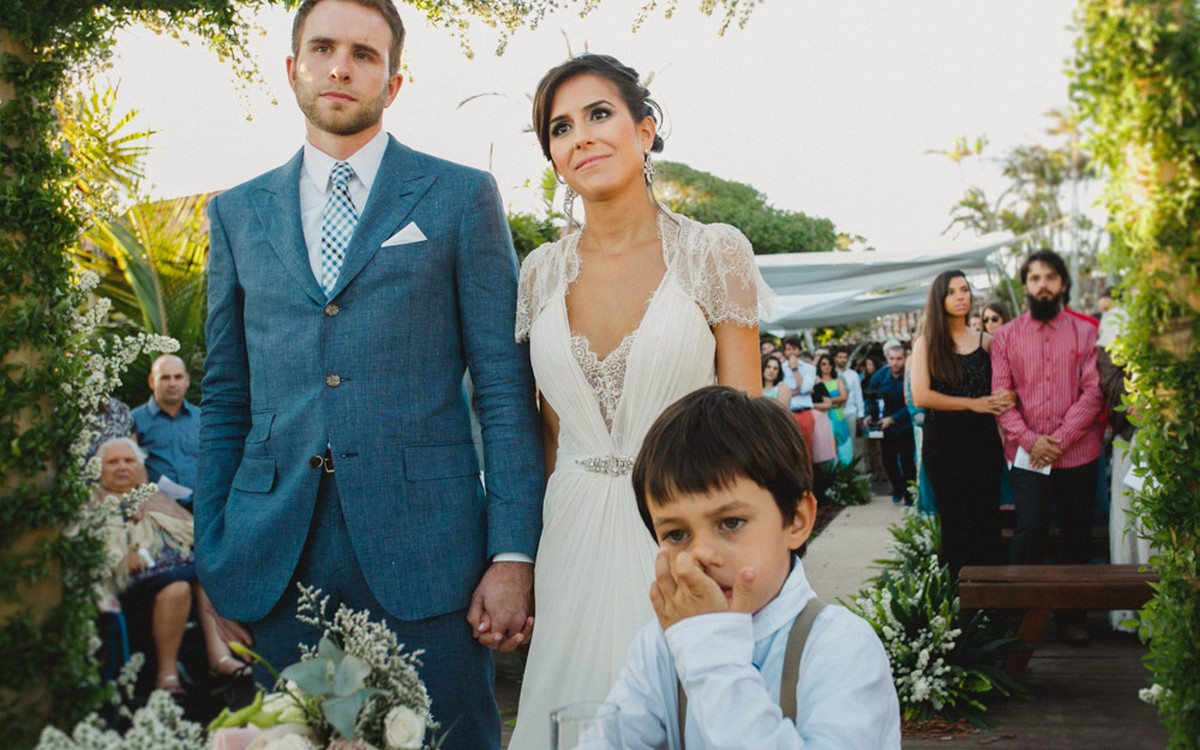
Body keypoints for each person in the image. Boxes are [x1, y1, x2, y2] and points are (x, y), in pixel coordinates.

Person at [196, 2, 544, 747]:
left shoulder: (459, 197)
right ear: (293, 69)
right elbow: (225, 397)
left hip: (430, 557)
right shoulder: (235, 213)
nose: (341, 66)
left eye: (364, 53)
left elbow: (505, 389)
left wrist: (512, 554)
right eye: (322, 48)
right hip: (273, 561)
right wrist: (216, 554)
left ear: (393, 81)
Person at [511, 53, 767, 749]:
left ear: (645, 130)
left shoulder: (715, 252)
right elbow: (548, 435)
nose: (581, 136)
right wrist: (524, 560)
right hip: (569, 534)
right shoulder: (539, 274)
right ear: (555, 158)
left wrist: (742, 552)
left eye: (599, 114)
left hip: (680, 537)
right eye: (561, 128)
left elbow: (749, 427)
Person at [605, 386, 900, 749]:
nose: (701, 555)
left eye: (730, 523)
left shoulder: (841, 647)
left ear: (795, 519)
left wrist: (712, 658)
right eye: (677, 533)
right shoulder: (658, 647)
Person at [991, 249, 1105, 646]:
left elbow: (1094, 393)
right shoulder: (1006, 336)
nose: (1043, 284)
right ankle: (1020, 619)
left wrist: (1057, 441)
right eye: (1035, 277)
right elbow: (1001, 398)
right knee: (1030, 529)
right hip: (1026, 456)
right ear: (1025, 285)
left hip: (1078, 454)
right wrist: (1029, 441)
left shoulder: (1086, 332)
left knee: (1076, 533)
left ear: (1062, 284)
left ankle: (1072, 618)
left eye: (1050, 277)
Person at [93, 438, 251, 696]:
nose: (122, 466)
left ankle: (217, 657)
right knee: (188, 578)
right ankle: (172, 672)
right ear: (99, 469)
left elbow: (192, 531)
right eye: (113, 462)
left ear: (139, 467)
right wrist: (123, 558)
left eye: (129, 460)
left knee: (194, 578)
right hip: (129, 582)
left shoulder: (155, 497)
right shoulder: (95, 503)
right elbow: (100, 555)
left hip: (172, 574)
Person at [910, 271, 1014, 578]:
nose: (961, 296)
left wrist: (1004, 398)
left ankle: (994, 606)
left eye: (965, 289)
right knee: (955, 526)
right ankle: (956, 610)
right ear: (939, 299)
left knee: (987, 523)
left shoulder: (988, 342)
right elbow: (921, 396)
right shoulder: (926, 344)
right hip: (944, 446)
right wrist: (975, 404)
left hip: (983, 444)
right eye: (952, 291)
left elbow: (1012, 384)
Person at [132, 354, 200, 498]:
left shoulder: (202, 419)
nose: (172, 383)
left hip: (201, 507)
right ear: (151, 381)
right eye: (165, 378)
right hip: (157, 510)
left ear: (187, 380)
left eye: (178, 377)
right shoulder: (133, 421)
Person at [864, 342, 914, 505]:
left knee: (907, 462)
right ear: (887, 358)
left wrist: (893, 418)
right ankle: (897, 488)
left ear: (904, 358)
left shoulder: (910, 375)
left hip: (905, 425)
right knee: (888, 461)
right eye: (892, 359)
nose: (895, 363)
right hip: (884, 428)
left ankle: (909, 495)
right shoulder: (879, 376)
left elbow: (914, 403)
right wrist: (868, 414)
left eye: (899, 359)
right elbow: (871, 398)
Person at [780, 336, 818, 467]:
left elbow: (805, 388)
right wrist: (796, 391)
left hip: (804, 413)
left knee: (806, 451)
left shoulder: (809, 368)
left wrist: (795, 369)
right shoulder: (780, 368)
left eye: (794, 349)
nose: (791, 353)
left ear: (800, 351)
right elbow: (779, 390)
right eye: (788, 349)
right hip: (786, 413)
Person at [812, 353, 851, 466]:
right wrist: (833, 402)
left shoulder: (838, 381)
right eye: (823, 364)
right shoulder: (816, 382)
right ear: (819, 366)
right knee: (826, 444)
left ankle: (846, 472)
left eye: (829, 364)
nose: (827, 366)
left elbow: (844, 397)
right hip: (823, 417)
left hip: (838, 415)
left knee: (843, 443)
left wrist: (826, 401)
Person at [834, 347, 864, 465]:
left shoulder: (853, 374)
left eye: (845, 357)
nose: (843, 360)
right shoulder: (831, 374)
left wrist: (860, 414)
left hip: (851, 412)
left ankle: (851, 468)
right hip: (836, 412)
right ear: (835, 358)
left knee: (850, 442)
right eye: (840, 357)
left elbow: (858, 394)